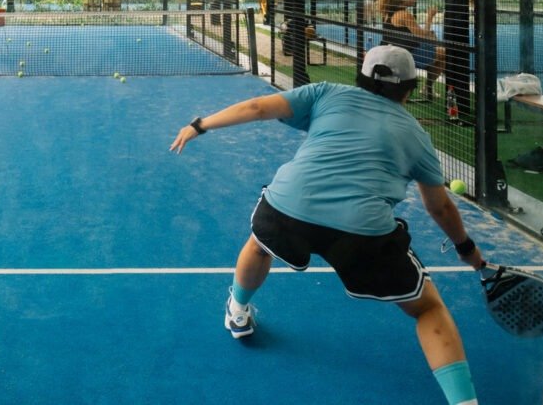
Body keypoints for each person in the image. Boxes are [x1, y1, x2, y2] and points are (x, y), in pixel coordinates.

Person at [169, 45, 485, 405]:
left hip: (289, 210)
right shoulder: (417, 136)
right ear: (409, 89)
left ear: (361, 77)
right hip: (362, 234)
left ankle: (237, 313)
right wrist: (466, 249)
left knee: (260, 243)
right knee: (427, 308)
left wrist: (199, 125)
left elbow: (257, 108)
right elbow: (440, 207)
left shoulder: (326, 93)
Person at [377, 0, 446, 98]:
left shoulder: (387, 12)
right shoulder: (404, 14)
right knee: (444, 53)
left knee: (438, 53)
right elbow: (421, 36)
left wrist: (429, 35)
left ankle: (428, 86)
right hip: (407, 53)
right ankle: (427, 87)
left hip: (393, 51)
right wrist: (430, 17)